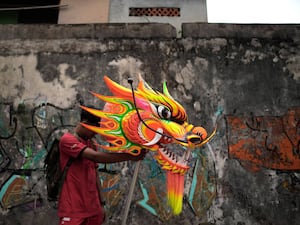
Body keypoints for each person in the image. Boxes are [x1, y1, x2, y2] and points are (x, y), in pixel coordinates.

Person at [58, 105, 147, 225]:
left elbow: (95, 176)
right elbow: (96, 157)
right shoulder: (67, 140)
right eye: (95, 130)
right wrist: (130, 156)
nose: (95, 135)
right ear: (85, 124)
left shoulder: (91, 144)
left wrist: (102, 204)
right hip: (73, 211)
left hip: (94, 210)